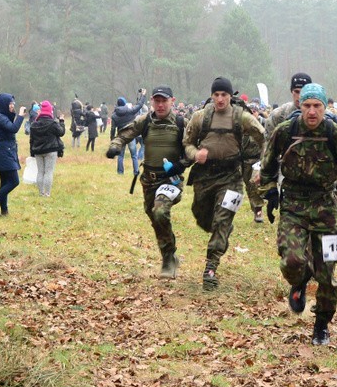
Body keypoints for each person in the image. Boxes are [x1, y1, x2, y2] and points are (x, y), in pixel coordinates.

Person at [259, 83, 337, 346]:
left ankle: (322, 324)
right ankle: (300, 281)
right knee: (292, 261)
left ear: (325, 108)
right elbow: (266, 167)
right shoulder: (285, 131)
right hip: (294, 206)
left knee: (327, 275)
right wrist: (270, 193)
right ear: (300, 106)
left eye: (317, 106)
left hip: (325, 206)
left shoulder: (335, 133)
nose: (312, 112)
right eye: (307, 106)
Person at [183, 77, 266, 290]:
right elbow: (187, 144)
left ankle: (211, 267)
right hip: (205, 176)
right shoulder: (200, 117)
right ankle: (223, 229)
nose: (220, 99)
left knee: (222, 219)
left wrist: (263, 165)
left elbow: (265, 139)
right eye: (217, 95)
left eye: (224, 95)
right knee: (202, 217)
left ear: (230, 96)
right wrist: (195, 154)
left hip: (232, 177)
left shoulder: (241, 117)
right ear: (212, 96)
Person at [107, 85, 191, 278]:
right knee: (155, 219)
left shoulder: (181, 123)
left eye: (164, 101)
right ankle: (170, 255)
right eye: (157, 101)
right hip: (148, 180)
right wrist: (115, 146)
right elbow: (125, 133)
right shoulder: (145, 121)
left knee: (160, 211)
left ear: (172, 101)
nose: (160, 105)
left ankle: (168, 261)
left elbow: (193, 148)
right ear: (152, 101)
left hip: (171, 179)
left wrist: (181, 164)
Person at [0, 94, 26, 217]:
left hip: (5, 151)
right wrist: (20, 116)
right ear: (4, 104)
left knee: (4, 182)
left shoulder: (3, 116)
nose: (12, 105)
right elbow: (13, 128)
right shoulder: (0, 117)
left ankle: (4, 211)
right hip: (4, 152)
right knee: (14, 181)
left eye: (13, 103)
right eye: (10, 104)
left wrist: (15, 114)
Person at [29, 100, 66, 197]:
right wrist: (61, 121)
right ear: (50, 111)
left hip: (38, 150)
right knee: (48, 172)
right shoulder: (53, 123)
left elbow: (31, 139)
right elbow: (61, 132)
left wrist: (32, 152)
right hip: (51, 150)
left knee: (40, 172)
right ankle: (47, 193)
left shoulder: (34, 124)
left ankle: (41, 193)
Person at [110, 90, 147, 175]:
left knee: (120, 156)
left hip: (121, 137)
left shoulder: (114, 115)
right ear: (125, 103)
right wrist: (143, 95)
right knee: (134, 156)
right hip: (131, 136)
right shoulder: (130, 111)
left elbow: (112, 128)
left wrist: (112, 139)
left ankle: (120, 172)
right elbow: (140, 105)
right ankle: (136, 172)